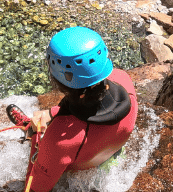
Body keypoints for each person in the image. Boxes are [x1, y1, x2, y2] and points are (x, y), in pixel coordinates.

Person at [11, 26, 138, 192]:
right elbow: (85, 104)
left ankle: (30, 130)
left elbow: (35, 188)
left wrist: (37, 142)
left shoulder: (60, 138)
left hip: (77, 164)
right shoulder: (122, 79)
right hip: (109, 156)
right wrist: (51, 113)